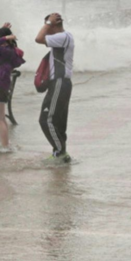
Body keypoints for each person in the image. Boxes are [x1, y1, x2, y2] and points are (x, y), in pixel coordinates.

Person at [34, 12, 75, 163]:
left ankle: (60, 153)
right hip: (60, 83)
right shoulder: (63, 38)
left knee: (47, 119)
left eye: (48, 26)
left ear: (55, 24)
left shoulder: (63, 37)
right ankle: (59, 152)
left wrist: (48, 23)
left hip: (59, 82)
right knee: (57, 120)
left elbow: (38, 39)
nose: (46, 29)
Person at [0, 23, 25, 152]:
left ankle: (5, 147)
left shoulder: (4, 51)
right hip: (3, 83)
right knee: (1, 118)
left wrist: (4, 37)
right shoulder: (11, 52)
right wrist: (2, 35)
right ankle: (5, 143)